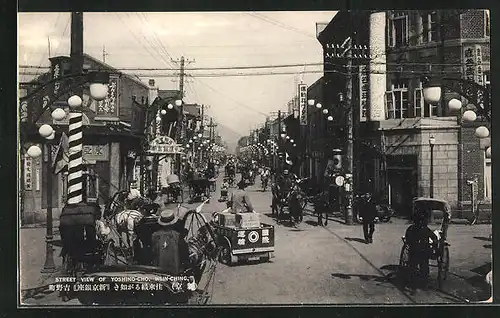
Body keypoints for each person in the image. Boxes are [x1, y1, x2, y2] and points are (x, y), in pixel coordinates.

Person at [404, 207, 438, 291]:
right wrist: (434, 243)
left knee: (413, 267)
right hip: (423, 251)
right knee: (424, 268)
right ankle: (423, 284)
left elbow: (407, 240)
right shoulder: (425, 229)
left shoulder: (411, 228)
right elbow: (434, 237)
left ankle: (414, 285)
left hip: (414, 251)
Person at [151, 210, 190, 274]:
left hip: (158, 270)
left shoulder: (154, 235)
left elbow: (154, 252)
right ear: (173, 223)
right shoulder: (177, 236)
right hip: (174, 270)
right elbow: (184, 253)